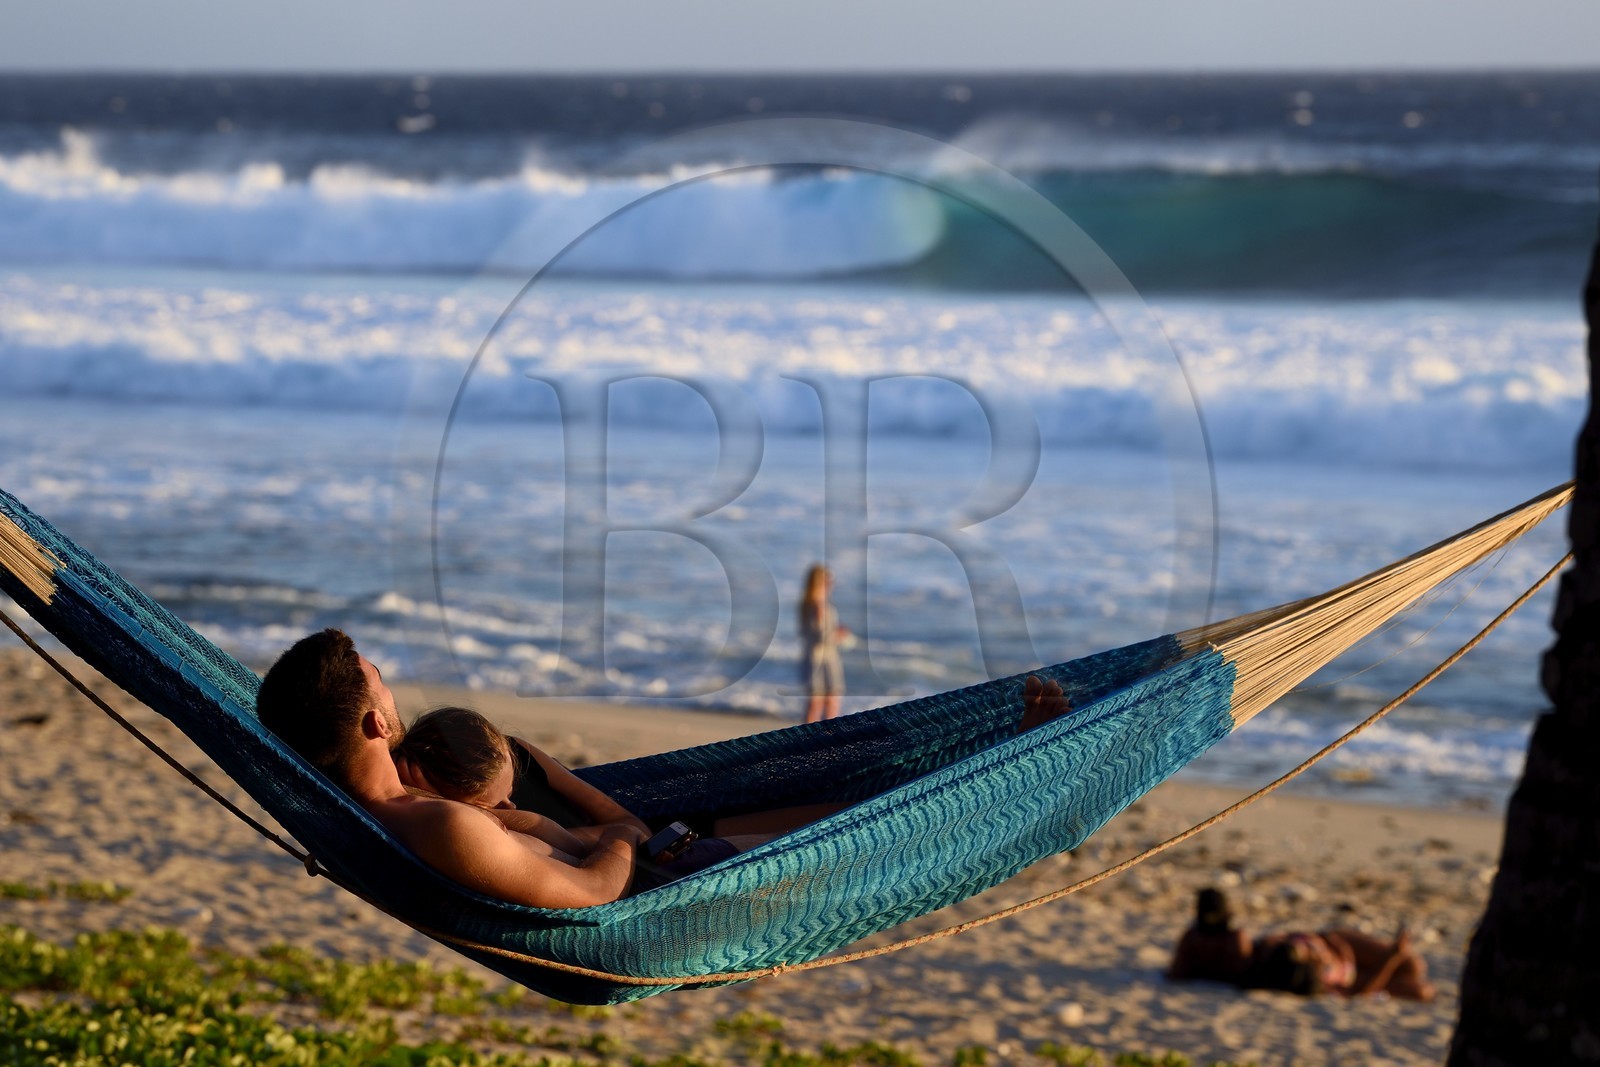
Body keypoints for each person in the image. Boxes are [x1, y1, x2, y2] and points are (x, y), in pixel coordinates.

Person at [257, 628, 1075, 910]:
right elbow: (591, 893)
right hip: (680, 885)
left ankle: (1025, 761)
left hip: (677, 857)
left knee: (861, 801)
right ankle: (1038, 772)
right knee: (882, 824)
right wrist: (616, 832)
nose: (391, 685)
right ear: (376, 722)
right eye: (379, 679)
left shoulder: (397, 803)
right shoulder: (435, 819)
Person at [1167, 888, 1436, 1002]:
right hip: (1342, 963)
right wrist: (1391, 958)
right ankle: (1394, 962)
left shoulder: (1201, 942)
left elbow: (1176, 973)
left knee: (1413, 967)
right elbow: (1357, 991)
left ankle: (1395, 961)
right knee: (1417, 982)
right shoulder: (1299, 975)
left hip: (1333, 944)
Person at [798, 563, 849, 724]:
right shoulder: (818, 605)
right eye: (828, 581)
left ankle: (808, 737)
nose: (831, 585)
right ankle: (827, 738)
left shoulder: (807, 603)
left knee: (817, 702)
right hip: (823, 657)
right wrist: (838, 635)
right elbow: (822, 636)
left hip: (814, 655)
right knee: (828, 702)